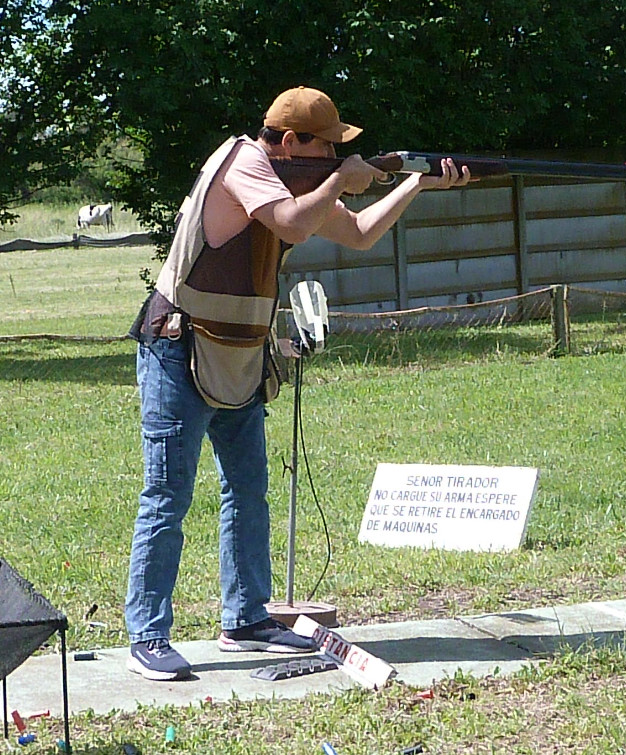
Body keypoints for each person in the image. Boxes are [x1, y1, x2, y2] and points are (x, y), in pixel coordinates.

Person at [123, 86, 471, 681]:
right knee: (167, 498)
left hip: (239, 354)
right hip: (181, 347)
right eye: (327, 145)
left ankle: (247, 618)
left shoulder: (289, 178)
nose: (335, 155)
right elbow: (290, 221)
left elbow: (358, 233)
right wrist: (340, 180)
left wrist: (416, 183)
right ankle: (148, 635)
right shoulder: (245, 163)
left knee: (247, 492)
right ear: (290, 142)